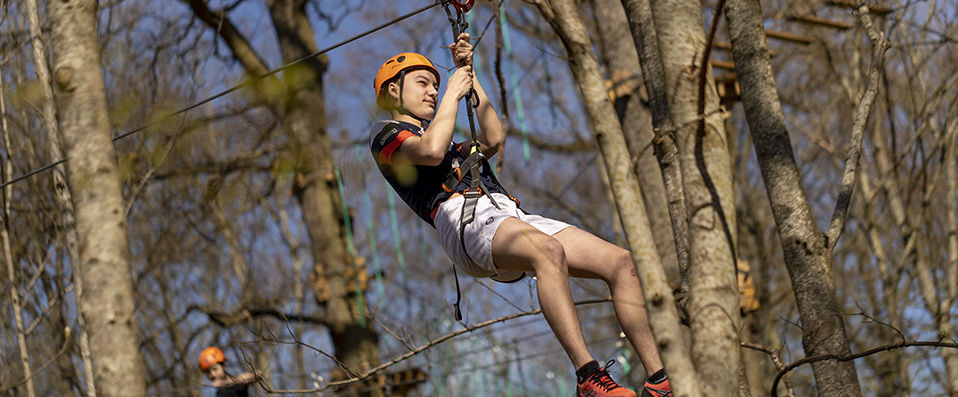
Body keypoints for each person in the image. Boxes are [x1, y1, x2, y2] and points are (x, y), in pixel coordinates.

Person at [368, 33, 672, 397]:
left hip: (506, 214)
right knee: (548, 252)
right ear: (392, 92)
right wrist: (452, 90)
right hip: (463, 221)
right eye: (422, 83)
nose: (433, 91)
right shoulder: (386, 135)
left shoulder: (451, 144)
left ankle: (660, 382)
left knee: (621, 263)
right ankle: (587, 376)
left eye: (436, 84)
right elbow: (431, 152)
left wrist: (470, 74)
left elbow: (494, 138)